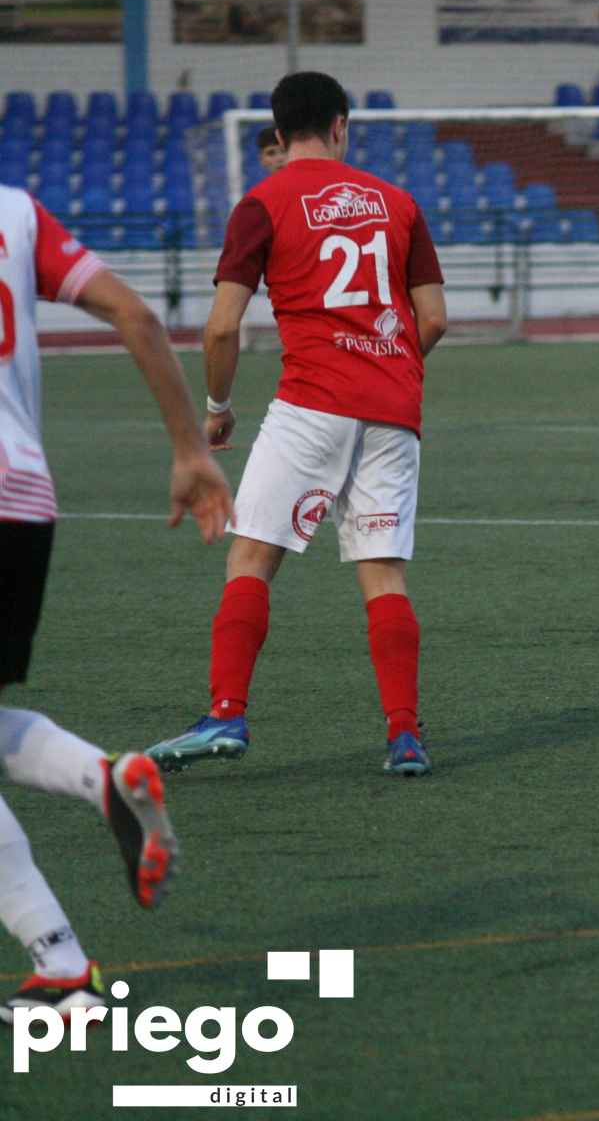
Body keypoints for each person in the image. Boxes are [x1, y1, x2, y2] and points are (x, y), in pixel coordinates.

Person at [143, 70, 449, 778]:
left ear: (277, 136)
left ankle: (226, 714)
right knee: (383, 574)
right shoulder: (399, 203)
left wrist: (218, 411)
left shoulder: (263, 201)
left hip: (311, 402)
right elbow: (432, 318)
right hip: (394, 409)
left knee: (252, 558)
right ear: (342, 125)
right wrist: (387, 362)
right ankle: (404, 735)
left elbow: (221, 329)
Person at [0, 185, 233, 1020]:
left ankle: (61, 967)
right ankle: (105, 782)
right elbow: (135, 315)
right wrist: (187, 451)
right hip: (21, 502)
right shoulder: (18, 215)